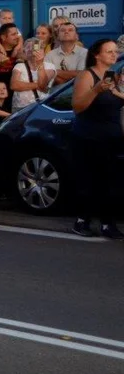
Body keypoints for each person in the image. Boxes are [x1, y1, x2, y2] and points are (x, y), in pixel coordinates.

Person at [70, 39, 123, 238]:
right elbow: (77, 106)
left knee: (110, 182)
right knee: (89, 180)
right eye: (108, 51)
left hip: (111, 137)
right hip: (88, 136)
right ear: (96, 55)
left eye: (115, 51)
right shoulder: (87, 75)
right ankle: (82, 220)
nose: (113, 54)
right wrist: (95, 90)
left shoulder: (114, 77)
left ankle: (108, 224)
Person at [10, 43, 55, 112]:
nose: (32, 50)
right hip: (19, 107)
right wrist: (38, 85)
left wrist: (40, 64)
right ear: (24, 52)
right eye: (29, 48)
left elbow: (43, 83)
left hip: (41, 106)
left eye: (36, 48)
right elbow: (14, 85)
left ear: (43, 51)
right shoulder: (19, 66)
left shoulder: (49, 66)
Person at [46, 21, 85, 87]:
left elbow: (82, 75)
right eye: (63, 30)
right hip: (55, 95)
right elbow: (47, 77)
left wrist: (55, 71)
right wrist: (74, 76)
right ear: (58, 36)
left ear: (76, 36)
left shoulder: (85, 53)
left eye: (70, 30)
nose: (66, 32)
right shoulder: (49, 55)